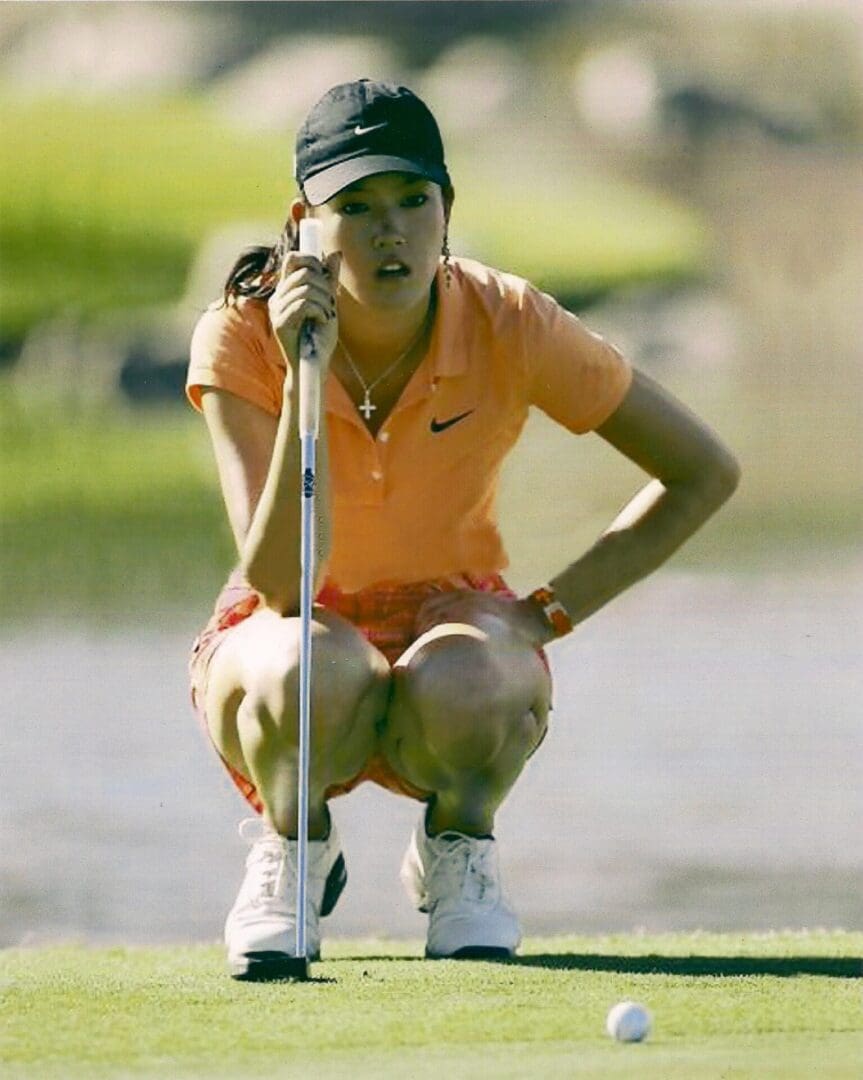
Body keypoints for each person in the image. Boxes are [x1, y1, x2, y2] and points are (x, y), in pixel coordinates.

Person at [185, 79, 739, 980]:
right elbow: (284, 584)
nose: (390, 229)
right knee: (302, 663)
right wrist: (303, 381)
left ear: (448, 207)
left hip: (455, 622)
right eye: (355, 206)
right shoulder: (243, 329)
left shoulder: (509, 319)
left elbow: (701, 472)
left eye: (413, 200)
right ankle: (292, 848)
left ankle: (457, 843)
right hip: (289, 630)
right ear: (305, 222)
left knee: (479, 672)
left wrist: (548, 614)